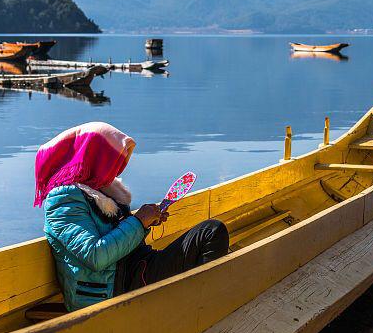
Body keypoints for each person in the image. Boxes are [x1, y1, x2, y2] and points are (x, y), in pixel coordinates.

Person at [34, 122, 229, 311]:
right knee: (211, 231)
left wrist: (145, 223)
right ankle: (202, 309)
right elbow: (95, 256)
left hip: (134, 270)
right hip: (112, 290)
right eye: (112, 160)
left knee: (209, 233)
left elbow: (117, 237)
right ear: (94, 157)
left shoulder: (103, 190)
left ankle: (200, 304)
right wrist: (138, 222)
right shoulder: (64, 201)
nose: (116, 168)